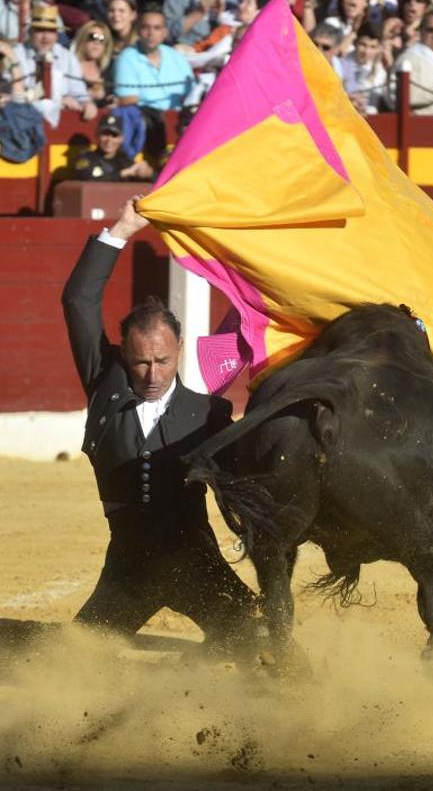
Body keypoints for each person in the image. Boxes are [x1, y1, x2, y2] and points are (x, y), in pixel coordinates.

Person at [61, 195, 259, 654]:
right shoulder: (104, 384)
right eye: (140, 362)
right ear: (124, 357)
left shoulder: (210, 414)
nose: (151, 374)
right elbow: (78, 299)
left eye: (162, 361)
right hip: (128, 568)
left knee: (267, 644)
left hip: (195, 561)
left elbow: (243, 486)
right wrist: (123, 228)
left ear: (181, 349)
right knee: (73, 667)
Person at [14, 3, 97, 125]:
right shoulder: (16, 54)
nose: (46, 37)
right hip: (23, 121)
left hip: (59, 124)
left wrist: (87, 104)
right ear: (31, 32)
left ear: (57, 34)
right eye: (40, 31)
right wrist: (58, 101)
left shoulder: (67, 57)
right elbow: (15, 94)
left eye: (51, 31)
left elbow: (79, 91)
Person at [114, 3, 194, 111]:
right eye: (146, 27)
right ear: (138, 30)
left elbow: (192, 95)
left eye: (157, 28)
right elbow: (128, 101)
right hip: (145, 122)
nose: (151, 33)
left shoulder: (177, 57)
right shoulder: (126, 58)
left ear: (165, 32)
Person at [73, 112, 154, 180]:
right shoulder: (86, 159)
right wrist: (125, 173)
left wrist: (149, 173)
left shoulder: (125, 161)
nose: (109, 140)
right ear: (97, 136)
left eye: (114, 136)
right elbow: (88, 177)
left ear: (122, 139)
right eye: (105, 135)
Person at [70, 19, 114, 107]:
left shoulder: (109, 70)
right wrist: (88, 95)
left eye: (102, 39)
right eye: (92, 37)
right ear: (83, 39)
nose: (97, 42)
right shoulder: (70, 66)